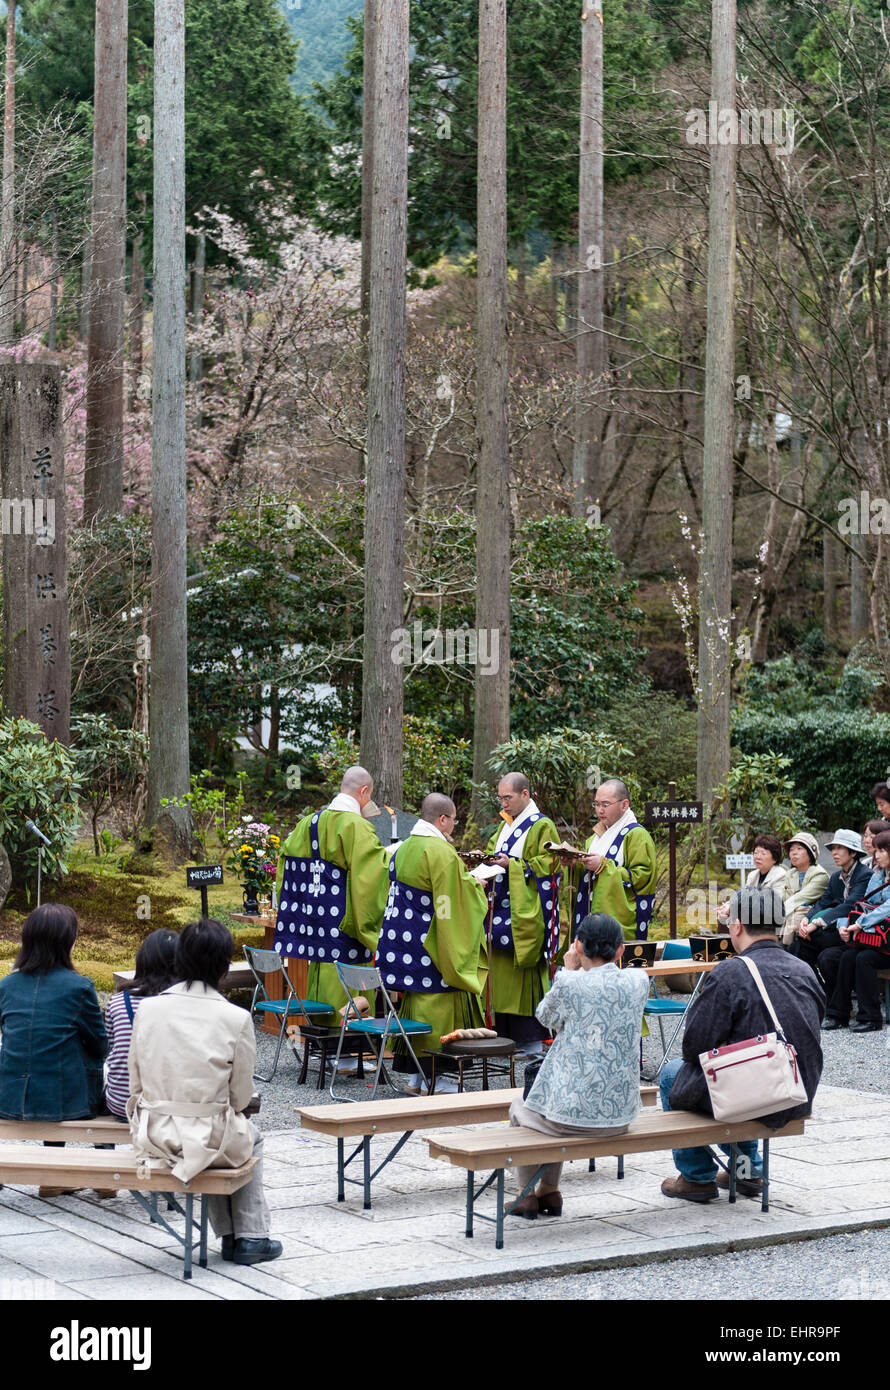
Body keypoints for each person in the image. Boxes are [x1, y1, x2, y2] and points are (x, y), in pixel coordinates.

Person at [128, 918, 282, 1266]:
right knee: (241, 1135)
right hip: (207, 1134)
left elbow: (134, 1080)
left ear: (179, 959)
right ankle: (250, 1236)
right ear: (225, 967)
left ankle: (230, 1236)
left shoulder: (148, 1009)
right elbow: (241, 1097)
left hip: (154, 1132)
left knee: (214, 1129)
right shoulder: (235, 1017)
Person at [660, 887, 823, 1203]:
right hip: (796, 1090)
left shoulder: (731, 971)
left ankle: (696, 1176)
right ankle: (747, 1171)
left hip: (757, 1092)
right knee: (739, 1075)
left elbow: (693, 1047)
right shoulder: (804, 969)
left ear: (736, 926)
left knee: (673, 1074)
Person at [507, 913, 649, 1218]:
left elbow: (545, 1018)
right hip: (621, 1114)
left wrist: (568, 970)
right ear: (621, 949)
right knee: (548, 1107)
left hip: (572, 1116)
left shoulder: (569, 982)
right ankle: (549, 1191)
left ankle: (525, 1194)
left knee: (523, 1106)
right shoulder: (639, 981)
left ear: (578, 946)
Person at [0, 904, 107, 1197]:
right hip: (62, 1101)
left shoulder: (6, 986)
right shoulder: (79, 987)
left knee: (41, 1052)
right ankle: (102, 1174)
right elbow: (101, 1046)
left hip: (9, 1096)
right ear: (67, 942)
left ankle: (53, 1175)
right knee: (86, 1067)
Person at [386, 794, 489, 1094]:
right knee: (442, 1000)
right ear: (442, 819)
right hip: (434, 943)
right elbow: (447, 902)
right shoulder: (440, 851)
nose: (453, 828)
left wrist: (464, 883)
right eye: (454, 820)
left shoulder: (403, 848)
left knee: (417, 1001)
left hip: (408, 942)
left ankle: (417, 1077)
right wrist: (475, 889)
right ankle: (442, 1079)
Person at [275, 766, 390, 1022]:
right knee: (351, 987)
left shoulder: (308, 822)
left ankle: (322, 1044)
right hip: (346, 930)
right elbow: (370, 880)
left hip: (316, 929)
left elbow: (287, 867)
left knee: (321, 982)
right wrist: (390, 859)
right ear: (364, 791)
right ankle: (349, 1054)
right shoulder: (357, 827)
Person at [484, 773, 560, 1056]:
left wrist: (515, 865)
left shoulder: (542, 825)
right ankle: (504, 1035)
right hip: (501, 904)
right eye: (501, 798)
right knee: (500, 972)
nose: (503, 804)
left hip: (525, 911)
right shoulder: (506, 825)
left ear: (525, 795)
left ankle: (529, 1039)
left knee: (524, 969)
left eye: (509, 798)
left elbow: (550, 863)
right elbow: (495, 852)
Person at [564, 779, 658, 942]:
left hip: (616, 922)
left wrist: (603, 866)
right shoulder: (595, 837)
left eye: (605, 804)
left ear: (624, 804)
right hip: (590, 917)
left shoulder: (636, 835)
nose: (599, 810)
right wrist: (575, 866)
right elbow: (590, 876)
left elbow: (642, 878)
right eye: (596, 804)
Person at [819, 829, 890, 1033]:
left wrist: (860, 923)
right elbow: (859, 904)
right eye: (876, 851)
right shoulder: (877, 877)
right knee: (848, 956)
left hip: (886, 940)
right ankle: (838, 1014)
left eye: (882, 851)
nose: (876, 856)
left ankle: (871, 1017)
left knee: (863, 958)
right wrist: (844, 924)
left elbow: (887, 907)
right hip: (876, 938)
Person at [104, 929, 179, 1121]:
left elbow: (109, 1048)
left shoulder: (119, 1002)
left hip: (123, 1102)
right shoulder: (185, 1003)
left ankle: (105, 1147)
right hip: (172, 1104)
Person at [795, 830, 872, 976]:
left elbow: (850, 905)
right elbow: (823, 902)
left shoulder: (865, 875)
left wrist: (816, 923)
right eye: (833, 848)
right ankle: (813, 992)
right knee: (799, 946)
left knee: (823, 952)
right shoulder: (836, 877)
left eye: (840, 848)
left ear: (853, 853)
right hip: (833, 930)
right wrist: (806, 918)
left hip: (852, 932)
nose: (834, 853)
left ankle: (826, 996)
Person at [716, 834, 785, 925]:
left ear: (774, 858)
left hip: (770, 921)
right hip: (753, 918)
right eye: (755, 853)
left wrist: (733, 907)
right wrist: (727, 906)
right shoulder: (753, 875)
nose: (758, 857)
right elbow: (743, 895)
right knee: (723, 915)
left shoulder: (780, 875)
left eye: (763, 853)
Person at [779, 832, 830, 948]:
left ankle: (784, 948)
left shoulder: (820, 875)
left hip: (810, 916)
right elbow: (781, 896)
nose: (794, 853)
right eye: (791, 850)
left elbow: (801, 898)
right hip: (789, 913)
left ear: (811, 852)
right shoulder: (790, 874)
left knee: (795, 915)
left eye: (799, 848)